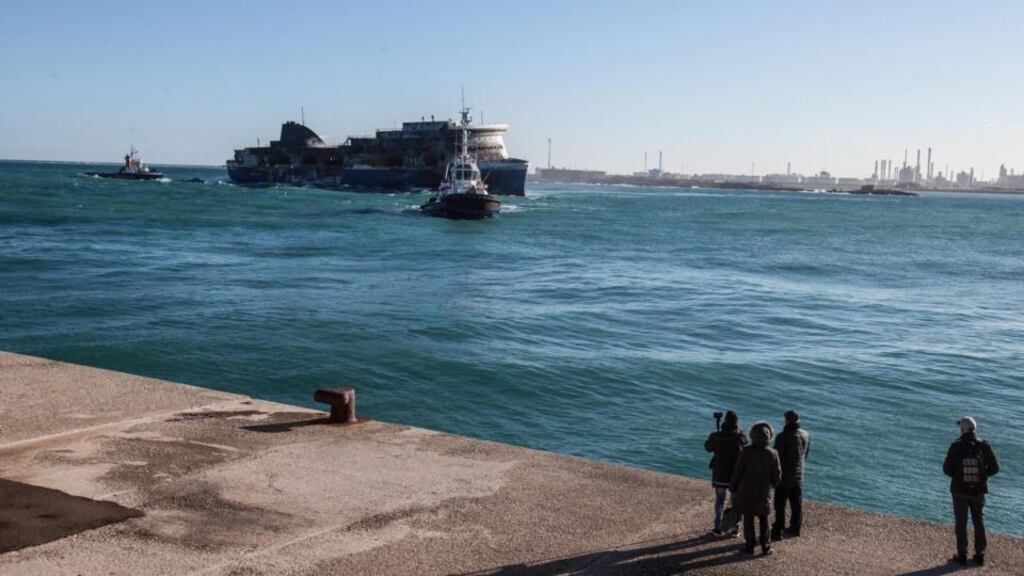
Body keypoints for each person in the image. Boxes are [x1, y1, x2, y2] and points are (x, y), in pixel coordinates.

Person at [943, 416, 1000, 566]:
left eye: (960, 427)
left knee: (961, 522)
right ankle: (980, 555)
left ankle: (962, 555)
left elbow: (947, 470)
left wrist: (958, 476)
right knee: (978, 521)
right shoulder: (984, 446)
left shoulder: (956, 446)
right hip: (978, 491)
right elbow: (995, 468)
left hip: (959, 491)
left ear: (963, 429)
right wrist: (982, 477)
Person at [730, 421, 782, 556]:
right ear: (768, 437)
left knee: (748, 519)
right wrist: (772, 486)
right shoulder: (773, 453)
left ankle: (749, 546)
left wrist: (733, 487)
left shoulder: (746, 451)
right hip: (764, 492)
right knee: (764, 519)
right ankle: (766, 547)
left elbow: (738, 472)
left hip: (746, 491)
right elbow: (777, 476)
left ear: (753, 436)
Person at [704, 410, 748, 536]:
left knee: (720, 501)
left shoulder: (717, 435)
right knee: (735, 501)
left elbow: (707, 447)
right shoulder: (740, 437)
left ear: (724, 421)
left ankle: (718, 527)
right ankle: (735, 528)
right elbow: (747, 444)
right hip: (735, 474)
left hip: (719, 474)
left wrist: (714, 436)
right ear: (736, 422)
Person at [772, 410, 810, 540]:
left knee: (780, 504)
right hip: (798, 475)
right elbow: (805, 454)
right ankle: (795, 528)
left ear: (787, 420)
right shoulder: (805, 434)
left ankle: (778, 529)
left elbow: (776, 457)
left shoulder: (782, 437)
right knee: (796, 503)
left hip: (784, 476)